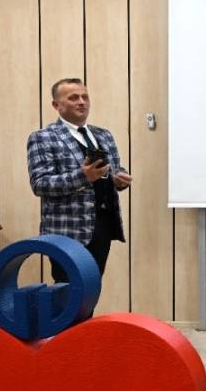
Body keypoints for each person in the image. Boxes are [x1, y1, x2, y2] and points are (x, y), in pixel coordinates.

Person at [26, 79, 131, 279]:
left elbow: (114, 170)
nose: (81, 102)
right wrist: (83, 176)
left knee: (92, 287)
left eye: (85, 97)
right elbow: (40, 184)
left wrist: (119, 179)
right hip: (67, 231)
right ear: (56, 105)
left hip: (102, 225)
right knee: (69, 291)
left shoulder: (103, 135)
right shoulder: (43, 137)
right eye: (73, 98)